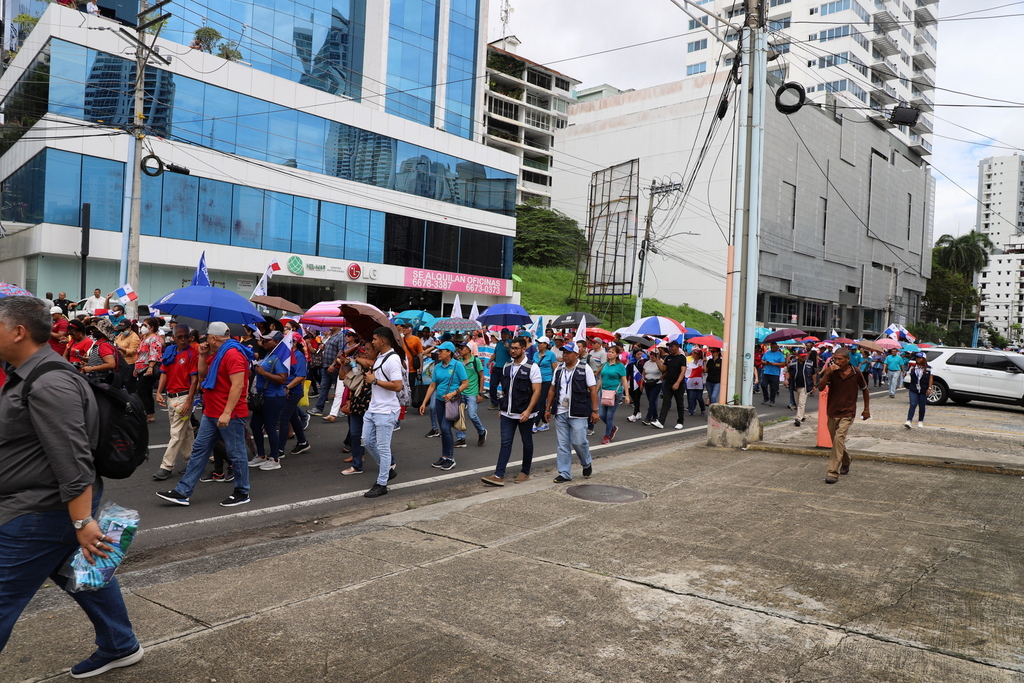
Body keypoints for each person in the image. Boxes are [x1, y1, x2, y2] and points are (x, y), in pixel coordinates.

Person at [0, 296, 143, 676]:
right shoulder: (28, 373)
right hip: (45, 505)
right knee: (80, 572)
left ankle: (120, 643)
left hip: (40, 510)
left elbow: (73, 459)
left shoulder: (49, 381)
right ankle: (120, 644)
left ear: (18, 332)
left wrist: (82, 523)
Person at [156, 321, 254, 507]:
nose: (205, 340)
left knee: (236, 453)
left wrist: (226, 413)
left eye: (207, 337)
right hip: (212, 411)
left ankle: (242, 491)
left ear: (214, 338)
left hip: (228, 414)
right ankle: (183, 491)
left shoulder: (232, 354)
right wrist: (202, 355)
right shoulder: (218, 354)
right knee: (199, 451)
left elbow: (238, 385)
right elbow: (203, 375)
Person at [482, 336, 542, 486]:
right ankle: (499, 475)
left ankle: (525, 471)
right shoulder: (507, 366)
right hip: (507, 413)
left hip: (524, 413)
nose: (513, 351)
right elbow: (506, 390)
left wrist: (528, 411)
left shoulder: (532, 367)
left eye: (516, 348)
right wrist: (503, 408)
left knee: (527, 442)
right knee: (505, 442)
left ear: (524, 349)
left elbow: (537, 392)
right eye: (511, 348)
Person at [361, 326, 406, 498]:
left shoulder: (393, 359)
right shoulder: (381, 356)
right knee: (366, 441)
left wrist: (375, 381)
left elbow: (397, 385)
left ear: (382, 340)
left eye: (374, 339)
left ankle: (382, 483)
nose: (372, 342)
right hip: (373, 408)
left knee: (383, 447)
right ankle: (386, 470)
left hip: (386, 411)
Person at [545, 341, 598, 483]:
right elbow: (552, 389)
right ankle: (564, 473)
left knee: (579, 442)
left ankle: (586, 462)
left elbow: (592, 390)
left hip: (578, 412)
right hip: (561, 412)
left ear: (576, 354)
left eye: (568, 352)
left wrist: (594, 410)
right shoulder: (559, 369)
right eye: (564, 352)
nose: (565, 355)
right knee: (562, 444)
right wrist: (547, 408)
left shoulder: (584, 368)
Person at [816, 348, 870, 484]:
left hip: (848, 412)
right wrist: (827, 373)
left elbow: (865, 390)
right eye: (835, 358)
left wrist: (866, 409)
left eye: (840, 359)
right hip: (833, 411)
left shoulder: (855, 372)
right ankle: (846, 460)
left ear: (847, 360)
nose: (837, 361)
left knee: (839, 437)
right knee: (836, 440)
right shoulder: (832, 372)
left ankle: (832, 472)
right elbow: (820, 388)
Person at [153, 324, 200, 480]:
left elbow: (194, 380)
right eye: (180, 337)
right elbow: (164, 373)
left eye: (186, 336)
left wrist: (189, 401)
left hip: (183, 398)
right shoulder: (170, 351)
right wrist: (159, 392)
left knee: (176, 433)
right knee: (185, 432)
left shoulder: (193, 354)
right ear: (173, 337)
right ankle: (192, 461)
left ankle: (166, 466)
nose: (184, 339)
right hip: (172, 396)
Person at [419, 341, 467, 471]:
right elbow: (433, 385)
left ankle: (450, 458)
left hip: (451, 402)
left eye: (441, 351)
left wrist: (452, 394)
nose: (438, 353)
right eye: (438, 350)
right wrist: (424, 403)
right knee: (443, 429)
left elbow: (465, 383)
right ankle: (444, 456)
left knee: (446, 428)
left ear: (449, 352)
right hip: (440, 401)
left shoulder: (457, 365)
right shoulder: (438, 367)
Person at [247, 331, 289, 470]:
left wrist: (263, 373)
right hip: (263, 397)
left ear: (276, 343)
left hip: (273, 397)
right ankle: (261, 455)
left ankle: (274, 458)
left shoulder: (278, 358)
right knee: (255, 424)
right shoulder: (268, 356)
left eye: (267, 340)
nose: (263, 342)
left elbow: (282, 379)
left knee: (270, 427)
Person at [340, 346, 372, 475]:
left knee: (371, 436)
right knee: (355, 433)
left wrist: (356, 359)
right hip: (355, 402)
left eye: (366, 352)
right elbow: (342, 377)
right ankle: (357, 463)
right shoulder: (355, 365)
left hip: (370, 403)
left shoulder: (375, 363)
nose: (365, 354)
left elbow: (370, 363)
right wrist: (343, 363)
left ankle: (389, 461)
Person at [453, 341, 487, 447]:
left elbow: (481, 377)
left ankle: (482, 431)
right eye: (459, 348)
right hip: (461, 391)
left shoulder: (475, 361)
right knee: (458, 415)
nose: (460, 350)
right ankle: (461, 438)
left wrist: (480, 393)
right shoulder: (459, 362)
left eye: (462, 348)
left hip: (472, 392)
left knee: (472, 415)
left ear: (469, 349)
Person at [597, 345, 629, 444]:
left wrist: (627, 395)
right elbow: (601, 379)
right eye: (609, 351)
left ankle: (607, 436)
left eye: (612, 352)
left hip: (615, 393)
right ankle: (612, 427)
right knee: (602, 415)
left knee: (609, 415)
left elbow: (624, 381)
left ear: (617, 354)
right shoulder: (605, 365)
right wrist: (595, 391)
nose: (609, 353)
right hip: (603, 392)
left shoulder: (620, 366)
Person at [310, 325, 343, 416]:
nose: (329, 326)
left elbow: (341, 352)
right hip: (325, 365)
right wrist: (323, 347)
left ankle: (341, 409)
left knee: (338, 389)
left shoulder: (341, 336)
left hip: (335, 367)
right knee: (324, 387)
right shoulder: (330, 336)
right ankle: (318, 408)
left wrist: (333, 364)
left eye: (332, 324)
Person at [135, 317, 164, 422]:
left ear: (151, 328)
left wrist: (151, 367)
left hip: (148, 368)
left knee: (141, 392)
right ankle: (149, 414)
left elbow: (154, 354)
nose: (142, 327)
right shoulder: (144, 338)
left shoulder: (154, 339)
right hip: (140, 368)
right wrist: (136, 368)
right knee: (146, 392)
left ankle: (147, 414)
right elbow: (140, 354)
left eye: (145, 325)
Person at [655, 340, 687, 430]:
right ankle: (661, 421)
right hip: (668, 383)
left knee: (679, 403)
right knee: (666, 402)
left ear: (677, 347)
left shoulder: (682, 358)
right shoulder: (668, 357)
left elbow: (683, 371)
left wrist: (677, 383)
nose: (671, 348)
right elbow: (664, 369)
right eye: (670, 346)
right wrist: (657, 360)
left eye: (672, 346)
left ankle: (680, 421)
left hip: (678, 384)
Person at [532, 336, 557, 432]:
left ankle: (535, 423)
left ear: (546, 345)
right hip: (536, 380)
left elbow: (555, 369)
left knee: (540, 401)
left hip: (547, 380)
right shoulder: (535, 354)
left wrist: (554, 382)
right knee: (537, 400)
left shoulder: (551, 355)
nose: (539, 345)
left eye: (541, 343)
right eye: (538, 343)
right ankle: (545, 422)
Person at [786, 351, 816, 427]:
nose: (803, 357)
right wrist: (786, 380)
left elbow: (813, 374)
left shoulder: (810, 363)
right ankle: (803, 416)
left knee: (801, 403)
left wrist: (814, 385)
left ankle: (798, 419)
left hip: (805, 386)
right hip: (795, 386)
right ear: (798, 356)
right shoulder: (793, 363)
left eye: (804, 356)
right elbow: (789, 372)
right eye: (802, 356)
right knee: (797, 402)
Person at [904, 353, 932, 429]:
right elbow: (911, 378)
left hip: (924, 389)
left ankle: (920, 421)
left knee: (922, 405)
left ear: (924, 359)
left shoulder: (929, 368)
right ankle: (909, 420)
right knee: (913, 404)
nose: (918, 359)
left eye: (920, 358)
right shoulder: (913, 368)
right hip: (914, 389)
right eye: (917, 358)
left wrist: (929, 388)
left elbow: (930, 378)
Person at [488, 329, 512, 409]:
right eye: (502, 334)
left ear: (508, 335)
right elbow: (495, 353)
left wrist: (508, 347)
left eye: (505, 334)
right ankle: (494, 402)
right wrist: (490, 361)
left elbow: (512, 354)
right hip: (496, 367)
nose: (503, 335)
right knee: (492, 385)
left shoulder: (511, 343)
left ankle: (506, 403)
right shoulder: (498, 343)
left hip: (505, 368)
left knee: (505, 387)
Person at [760, 341, 786, 406]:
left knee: (773, 388)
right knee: (763, 385)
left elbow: (783, 363)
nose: (773, 348)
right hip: (766, 372)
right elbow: (762, 360)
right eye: (772, 347)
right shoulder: (767, 353)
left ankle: (772, 400)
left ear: (777, 347)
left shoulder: (780, 354)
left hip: (775, 373)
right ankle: (766, 397)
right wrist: (766, 362)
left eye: (774, 347)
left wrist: (775, 364)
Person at [625, 348, 645, 422]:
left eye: (641, 354)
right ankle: (638, 412)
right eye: (638, 354)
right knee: (633, 396)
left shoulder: (643, 362)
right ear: (634, 355)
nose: (640, 356)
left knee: (637, 397)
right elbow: (627, 373)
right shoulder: (631, 363)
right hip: (631, 382)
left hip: (639, 382)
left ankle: (634, 414)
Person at [684, 347, 706, 416]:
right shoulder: (690, 363)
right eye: (694, 353)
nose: (694, 355)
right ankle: (691, 410)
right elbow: (687, 371)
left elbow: (705, 371)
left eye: (696, 353)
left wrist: (705, 361)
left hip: (700, 382)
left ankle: (703, 409)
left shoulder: (702, 362)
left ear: (699, 355)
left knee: (699, 397)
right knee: (691, 397)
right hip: (691, 382)